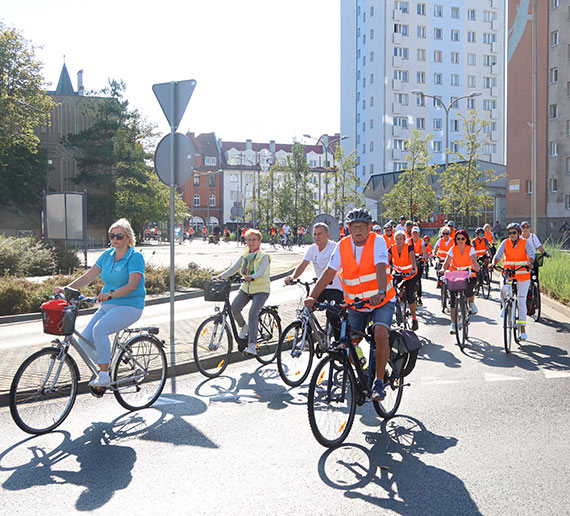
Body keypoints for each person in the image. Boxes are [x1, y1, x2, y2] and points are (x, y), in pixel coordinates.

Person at [305, 208, 396, 401]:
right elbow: (328, 274)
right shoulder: (342, 246)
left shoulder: (377, 241)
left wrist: (380, 293)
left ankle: (379, 382)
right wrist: (312, 298)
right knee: (347, 345)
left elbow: (380, 267)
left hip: (382, 300)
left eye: (362, 227)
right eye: (354, 227)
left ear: (369, 227)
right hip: (356, 303)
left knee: (380, 333)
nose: (358, 231)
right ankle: (363, 370)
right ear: (347, 229)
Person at [55, 218, 145, 388]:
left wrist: (111, 294)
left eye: (119, 236)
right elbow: (89, 276)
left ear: (128, 238)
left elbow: (132, 285)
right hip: (107, 306)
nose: (115, 239)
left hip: (129, 305)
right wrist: (66, 288)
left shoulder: (135, 257)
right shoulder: (107, 255)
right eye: (112, 236)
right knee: (84, 340)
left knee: (100, 330)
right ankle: (106, 366)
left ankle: (104, 375)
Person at [215, 229, 271, 356]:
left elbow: (261, 272)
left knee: (253, 314)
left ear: (259, 241)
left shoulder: (264, 256)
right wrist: (220, 276)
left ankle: (252, 345)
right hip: (246, 289)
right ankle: (244, 327)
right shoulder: (245, 255)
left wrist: (251, 277)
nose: (251, 242)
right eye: (248, 240)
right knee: (234, 308)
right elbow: (234, 268)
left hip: (261, 290)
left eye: (254, 240)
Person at [285, 223, 343, 332]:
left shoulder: (334, 247)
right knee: (307, 309)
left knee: (332, 313)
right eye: (315, 234)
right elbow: (303, 265)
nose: (316, 237)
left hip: (336, 287)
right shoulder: (312, 248)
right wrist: (292, 277)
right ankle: (307, 339)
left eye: (320, 234)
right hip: (320, 286)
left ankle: (338, 341)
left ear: (327, 235)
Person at [492, 223, 535, 340]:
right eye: (510, 233)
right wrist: (493, 263)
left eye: (514, 233)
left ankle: (522, 330)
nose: (511, 235)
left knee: (521, 301)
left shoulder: (526, 242)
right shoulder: (505, 242)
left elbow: (531, 254)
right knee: (503, 290)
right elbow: (498, 255)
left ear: (519, 233)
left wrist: (530, 263)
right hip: (508, 274)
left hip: (523, 275)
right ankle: (504, 306)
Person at [442, 229, 480, 335]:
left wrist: (476, 267)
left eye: (462, 238)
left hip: (469, 274)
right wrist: (443, 269)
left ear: (466, 239)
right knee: (453, 300)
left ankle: (471, 303)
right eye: (458, 238)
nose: (460, 240)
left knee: (468, 290)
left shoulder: (470, 249)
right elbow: (446, 262)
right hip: (455, 276)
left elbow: (474, 261)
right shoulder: (452, 249)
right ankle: (453, 324)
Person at [390, 230, 419, 330]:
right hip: (398, 274)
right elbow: (386, 260)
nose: (398, 241)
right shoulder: (392, 248)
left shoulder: (409, 247)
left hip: (410, 274)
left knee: (410, 296)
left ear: (404, 239)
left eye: (401, 239)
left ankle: (414, 318)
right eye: (397, 239)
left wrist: (413, 268)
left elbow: (412, 258)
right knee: (391, 291)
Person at [408, 227, 427, 306]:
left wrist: (425, 257)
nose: (415, 234)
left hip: (418, 261)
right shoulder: (408, 241)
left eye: (416, 233)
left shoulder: (421, 241)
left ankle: (419, 298)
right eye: (414, 233)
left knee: (418, 280)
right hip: (410, 261)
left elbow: (424, 251)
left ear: (419, 234)